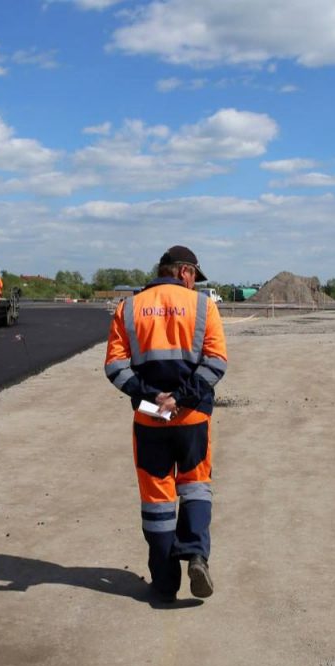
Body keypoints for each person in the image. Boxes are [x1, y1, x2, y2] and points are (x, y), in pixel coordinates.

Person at [104, 245, 228, 603]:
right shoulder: (204, 307)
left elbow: (114, 367)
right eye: (194, 278)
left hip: (149, 417)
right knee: (196, 486)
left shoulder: (128, 308)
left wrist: (152, 397)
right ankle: (196, 554)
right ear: (185, 272)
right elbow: (216, 363)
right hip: (192, 417)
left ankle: (164, 585)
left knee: (157, 502)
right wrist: (181, 398)